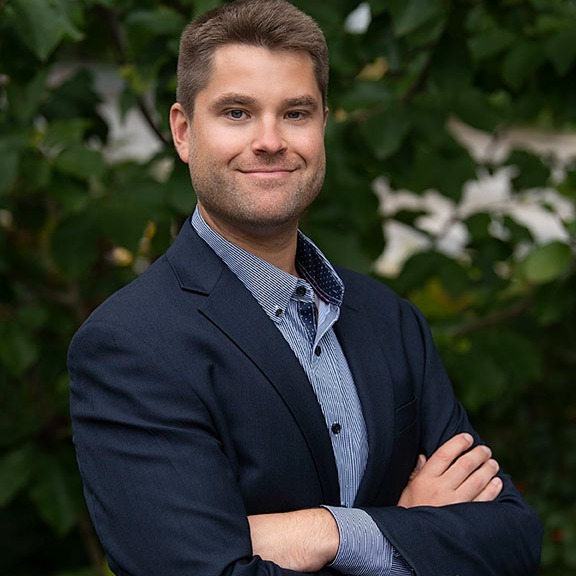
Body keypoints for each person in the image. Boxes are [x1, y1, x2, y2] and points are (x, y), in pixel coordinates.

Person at [68, 1, 542, 574]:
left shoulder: (389, 319)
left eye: (295, 113)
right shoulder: (131, 345)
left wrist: (325, 532)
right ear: (184, 131)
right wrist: (410, 530)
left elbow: (512, 539)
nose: (270, 140)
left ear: (323, 125)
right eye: (237, 113)